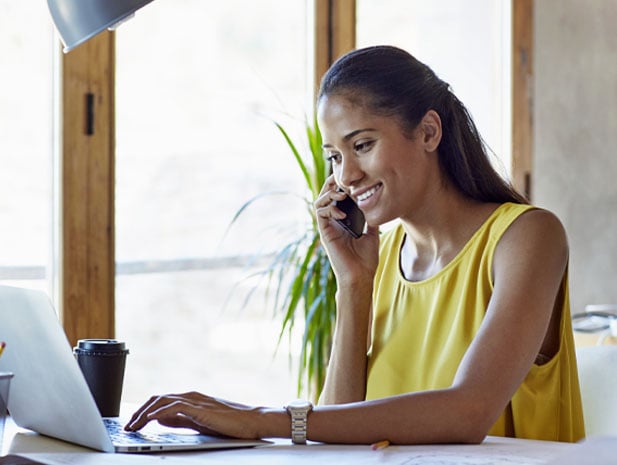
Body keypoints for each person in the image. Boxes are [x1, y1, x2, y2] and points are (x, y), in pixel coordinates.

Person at [125, 45, 585, 444]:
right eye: (335, 156)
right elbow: (337, 429)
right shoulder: (382, 258)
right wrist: (354, 282)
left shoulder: (527, 237)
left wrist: (260, 420)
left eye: (362, 144)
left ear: (428, 131)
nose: (345, 176)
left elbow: (468, 412)